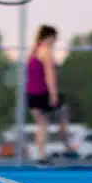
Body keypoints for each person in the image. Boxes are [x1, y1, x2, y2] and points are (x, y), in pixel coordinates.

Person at [25, 24, 74, 164]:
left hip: (31, 93)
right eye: (55, 38)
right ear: (49, 37)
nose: (55, 41)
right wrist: (53, 94)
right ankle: (67, 146)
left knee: (42, 124)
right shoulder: (46, 51)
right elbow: (49, 74)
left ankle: (41, 155)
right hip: (43, 92)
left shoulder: (33, 51)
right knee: (63, 113)